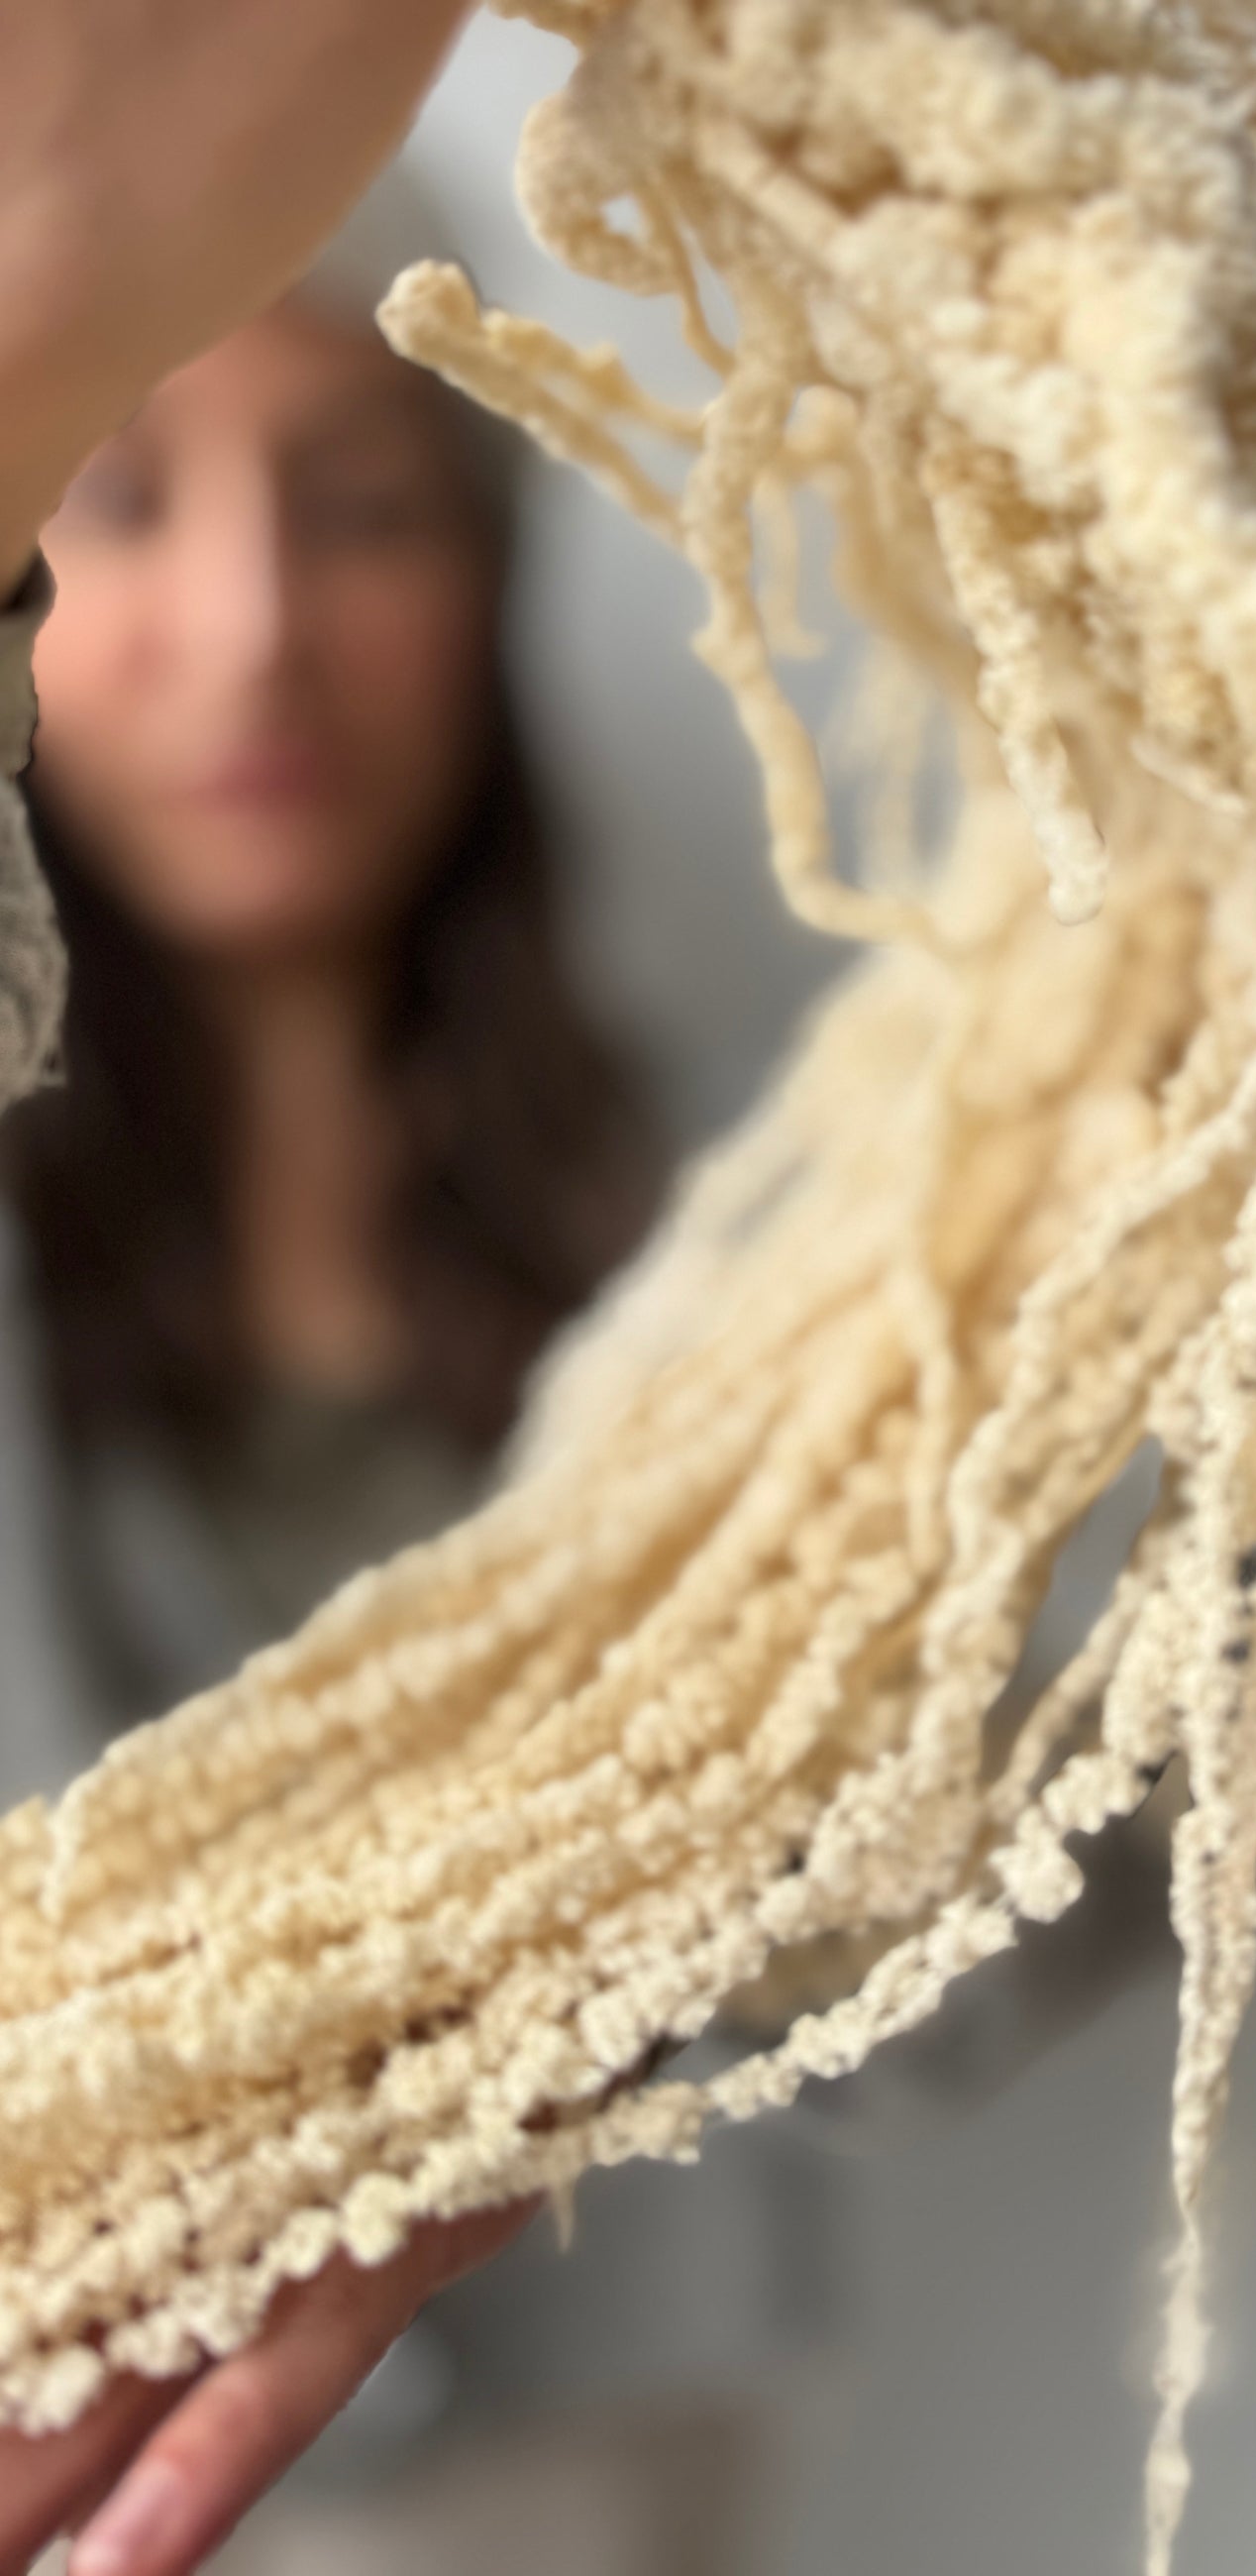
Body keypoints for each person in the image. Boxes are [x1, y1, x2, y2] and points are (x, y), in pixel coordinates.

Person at [0, 10, 610, 2572]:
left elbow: (1146, 1827)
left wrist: (613, 1953)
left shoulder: (798, 1212)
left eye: (361, 506)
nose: (250, 627)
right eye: (118, 505)